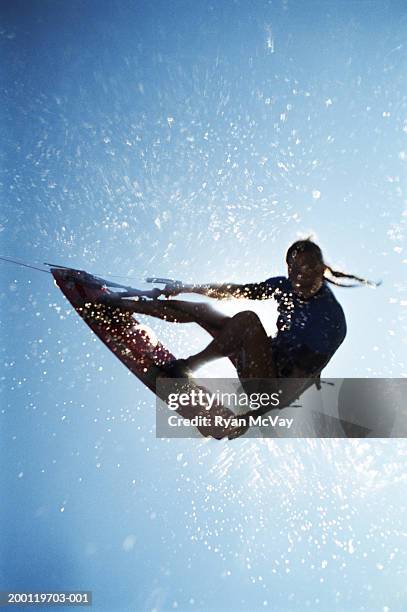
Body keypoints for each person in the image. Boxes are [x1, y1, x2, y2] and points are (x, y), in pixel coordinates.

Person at [94, 239, 377, 386]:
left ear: (320, 269)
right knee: (204, 310)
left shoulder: (330, 320)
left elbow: (303, 377)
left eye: (305, 269)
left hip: (273, 390)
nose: (297, 277)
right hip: (257, 363)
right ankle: (121, 306)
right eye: (292, 269)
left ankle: (185, 369)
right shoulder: (284, 286)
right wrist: (188, 287)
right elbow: (235, 291)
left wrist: (250, 419)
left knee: (249, 322)